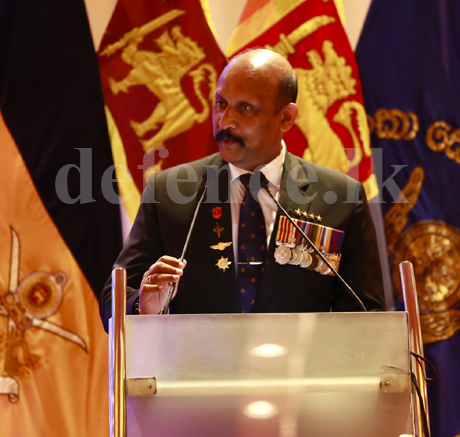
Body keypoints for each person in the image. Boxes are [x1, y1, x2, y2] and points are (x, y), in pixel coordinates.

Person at [99, 49, 385, 326]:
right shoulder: (170, 191)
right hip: (197, 372)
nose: (225, 121)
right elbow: (113, 300)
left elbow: (367, 316)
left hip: (300, 373)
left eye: (245, 108)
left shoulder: (341, 198)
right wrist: (145, 305)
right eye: (221, 103)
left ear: (286, 118)